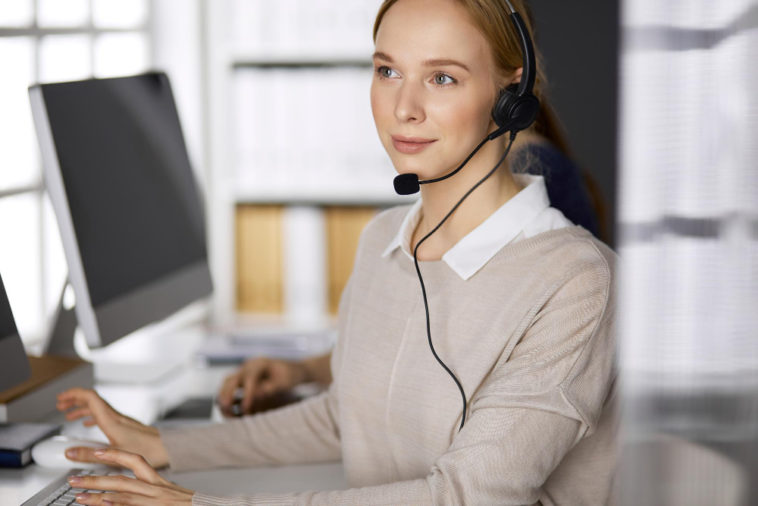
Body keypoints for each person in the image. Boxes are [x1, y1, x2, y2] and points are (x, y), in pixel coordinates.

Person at [59, 0, 617, 504]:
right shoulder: (384, 241)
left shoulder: (578, 281)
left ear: (510, 95)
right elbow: (343, 419)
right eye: (387, 71)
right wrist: (163, 445)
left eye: (442, 77)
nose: (404, 107)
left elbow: (468, 496)